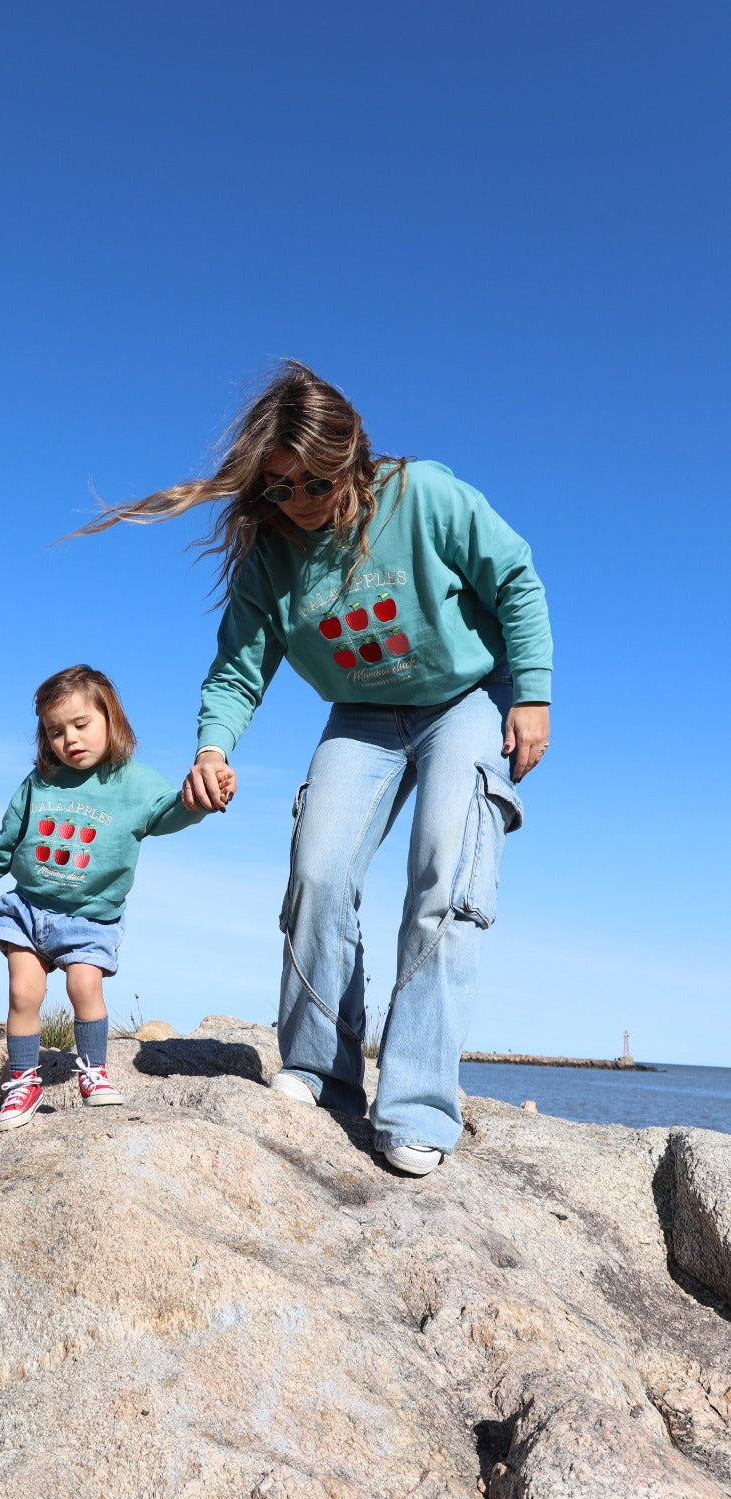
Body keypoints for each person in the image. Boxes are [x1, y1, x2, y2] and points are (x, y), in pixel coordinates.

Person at [72, 362, 552, 1176]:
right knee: (318, 872)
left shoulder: (423, 494)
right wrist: (212, 749)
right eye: (279, 485)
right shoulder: (271, 554)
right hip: (360, 719)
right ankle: (323, 1070)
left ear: (354, 457)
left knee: (446, 876)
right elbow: (237, 669)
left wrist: (531, 693)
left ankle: (417, 1106)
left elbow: (513, 578)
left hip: (465, 698)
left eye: (316, 481)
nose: (298, 500)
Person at [0, 664, 233, 1132]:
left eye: (81, 725)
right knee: (23, 991)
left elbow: (169, 812)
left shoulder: (134, 782)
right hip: (28, 909)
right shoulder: (38, 783)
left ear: (111, 719)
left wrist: (197, 801)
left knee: (84, 987)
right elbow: (8, 838)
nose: (70, 740)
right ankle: (22, 1080)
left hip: (91, 918)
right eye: (56, 731)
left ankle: (93, 1071)